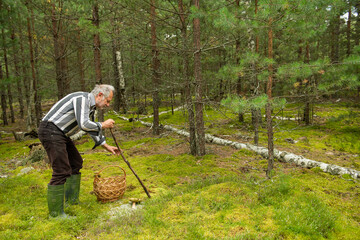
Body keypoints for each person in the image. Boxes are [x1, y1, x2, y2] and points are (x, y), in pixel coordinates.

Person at [38, 84, 121, 218]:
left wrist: (106, 145)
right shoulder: (82, 99)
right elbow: (84, 125)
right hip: (51, 131)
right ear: (100, 95)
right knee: (61, 170)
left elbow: (91, 128)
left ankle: (72, 202)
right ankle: (56, 214)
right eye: (108, 101)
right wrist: (103, 124)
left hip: (60, 133)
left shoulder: (90, 106)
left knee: (76, 163)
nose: (108, 105)